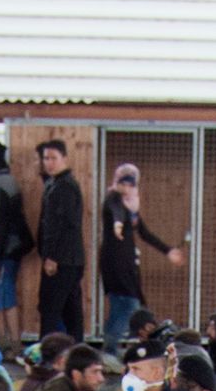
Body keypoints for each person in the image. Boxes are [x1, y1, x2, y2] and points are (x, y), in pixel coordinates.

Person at [96, 162, 172, 342]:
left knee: (118, 308)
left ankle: (109, 349)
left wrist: (168, 251)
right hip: (115, 263)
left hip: (125, 263)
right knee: (131, 306)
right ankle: (112, 350)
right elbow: (116, 214)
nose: (128, 188)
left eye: (132, 184)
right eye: (125, 183)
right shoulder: (113, 198)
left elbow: (143, 232)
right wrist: (117, 225)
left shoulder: (130, 208)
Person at [30, 137, 86, 342]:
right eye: (46, 158)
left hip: (62, 259)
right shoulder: (59, 184)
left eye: (53, 158)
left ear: (65, 158)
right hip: (70, 258)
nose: (49, 163)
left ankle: (47, 356)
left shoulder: (63, 187)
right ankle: (76, 352)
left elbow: (61, 225)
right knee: (71, 310)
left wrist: (52, 256)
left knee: (50, 309)